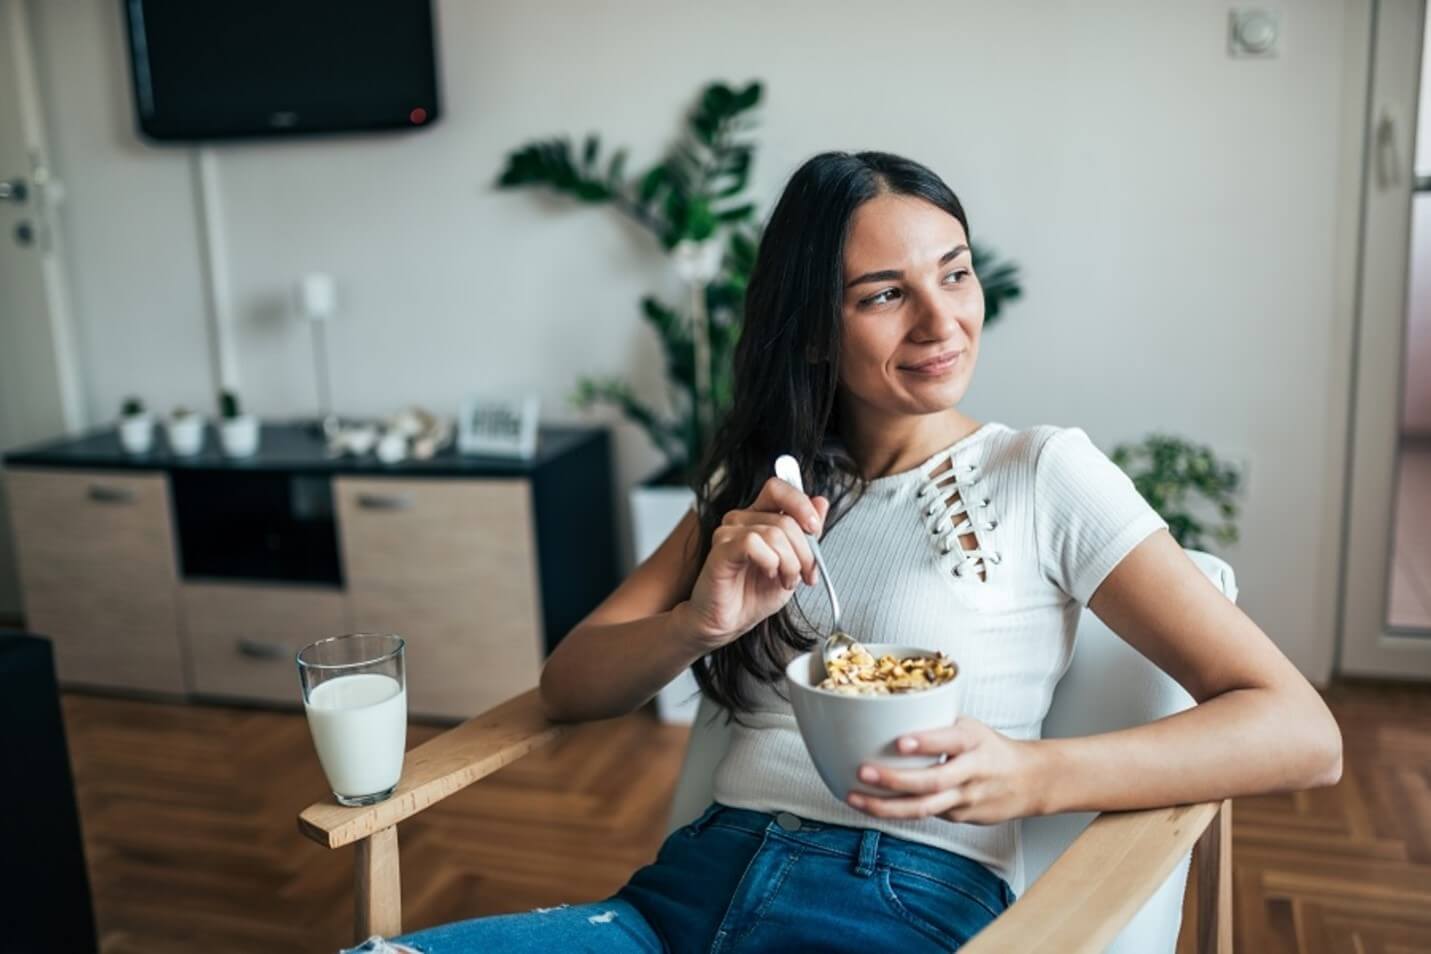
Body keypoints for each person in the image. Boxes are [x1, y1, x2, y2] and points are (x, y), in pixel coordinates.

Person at [347, 151, 1342, 954]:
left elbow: (1302, 733)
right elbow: (569, 686)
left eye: (954, 272)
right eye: (883, 295)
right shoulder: (756, 496)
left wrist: (1037, 777)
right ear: (814, 331)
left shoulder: (1042, 474)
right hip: (673, 903)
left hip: (897, 904)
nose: (942, 318)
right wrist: (700, 623)